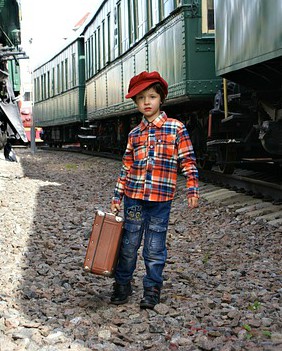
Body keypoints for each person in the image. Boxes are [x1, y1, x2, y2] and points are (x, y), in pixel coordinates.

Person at [110, 71, 199, 309]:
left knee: (154, 247)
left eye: (151, 96)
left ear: (161, 99)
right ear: (136, 103)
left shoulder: (175, 129)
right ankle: (123, 283)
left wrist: (192, 188)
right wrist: (117, 195)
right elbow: (126, 167)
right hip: (134, 200)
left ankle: (152, 288)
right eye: (140, 99)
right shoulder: (134, 134)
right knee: (129, 244)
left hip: (160, 200)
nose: (146, 102)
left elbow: (188, 160)